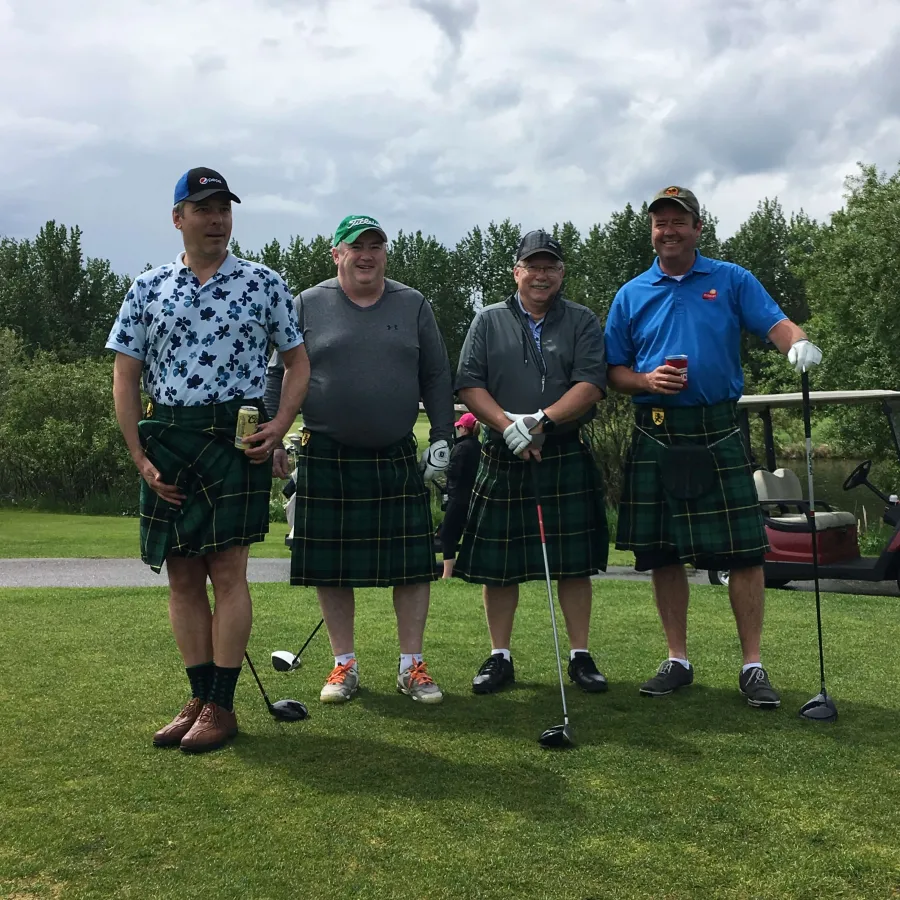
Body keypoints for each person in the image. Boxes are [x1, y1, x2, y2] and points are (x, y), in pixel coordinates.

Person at [106, 167, 309, 752]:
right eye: (203, 208)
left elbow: (299, 364)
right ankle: (197, 696)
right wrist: (140, 456)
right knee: (183, 575)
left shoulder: (264, 283)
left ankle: (222, 705)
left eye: (223, 208)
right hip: (169, 433)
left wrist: (280, 426)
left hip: (232, 435)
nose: (217, 219)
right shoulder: (147, 288)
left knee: (229, 571)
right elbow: (125, 374)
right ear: (179, 218)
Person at [604, 185, 823, 708]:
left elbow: (776, 323)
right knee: (663, 553)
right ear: (651, 231)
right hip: (657, 427)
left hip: (719, 426)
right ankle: (677, 659)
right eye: (660, 222)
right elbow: (612, 371)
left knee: (745, 552)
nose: (669, 230)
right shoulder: (631, 293)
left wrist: (799, 344)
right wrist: (645, 381)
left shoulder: (730, 279)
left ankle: (752, 665)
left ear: (698, 227)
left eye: (679, 221)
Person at [264, 214, 454, 705]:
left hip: (394, 454)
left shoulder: (412, 304)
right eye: (356, 246)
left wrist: (442, 436)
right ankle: (342, 665)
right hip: (325, 452)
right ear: (337, 254)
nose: (367, 254)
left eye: (376, 245)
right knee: (331, 569)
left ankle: (412, 666)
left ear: (385, 252)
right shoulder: (307, 303)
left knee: (412, 567)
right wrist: (272, 437)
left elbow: (436, 376)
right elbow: (276, 377)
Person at [454, 229, 610, 695]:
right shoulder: (488, 320)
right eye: (533, 266)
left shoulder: (581, 320)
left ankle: (580, 655)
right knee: (500, 564)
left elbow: (591, 383)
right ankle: (500, 655)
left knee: (572, 563)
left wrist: (540, 421)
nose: (541, 275)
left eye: (550, 267)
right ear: (516, 271)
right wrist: (508, 427)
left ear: (561, 273)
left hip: (562, 450)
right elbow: (469, 384)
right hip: (502, 452)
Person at [439, 412, 482, 579]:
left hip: (458, 498)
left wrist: (444, 468)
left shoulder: (461, 448)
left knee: (447, 535)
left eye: (459, 427)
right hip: (475, 497)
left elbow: (454, 472)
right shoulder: (480, 447)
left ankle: (447, 574)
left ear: (464, 428)